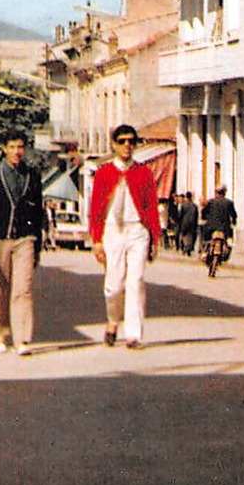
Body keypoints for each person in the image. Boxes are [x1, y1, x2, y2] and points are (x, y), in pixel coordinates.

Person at [0, 131, 46, 355]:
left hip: (25, 239)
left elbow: (38, 212)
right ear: (4, 148)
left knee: (23, 290)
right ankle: (1, 333)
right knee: (1, 290)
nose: (17, 152)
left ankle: (22, 338)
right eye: (12, 147)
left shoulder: (32, 175)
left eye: (21, 147)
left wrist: (38, 247)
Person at [89, 125, 163, 348]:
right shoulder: (104, 173)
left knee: (136, 280)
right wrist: (96, 240)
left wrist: (154, 238)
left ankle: (133, 334)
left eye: (131, 141)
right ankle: (112, 321)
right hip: (113, 230)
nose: (127, 146)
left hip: (137, 230)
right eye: (122, 141)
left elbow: (151, 206)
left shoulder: (143, 172)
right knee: (114, 285)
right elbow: (96, 210)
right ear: (113, 145)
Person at [201, 186, 237, 261]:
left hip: (211, 227)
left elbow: (204, 211)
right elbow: (233, 214)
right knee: (229, 241)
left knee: (206, 239)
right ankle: (227, 253)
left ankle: (204, 252)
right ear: (224, 193)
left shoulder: (211, 202)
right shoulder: (229, 203)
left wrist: (204, 218)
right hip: (225, 228)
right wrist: (234, 222)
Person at [177, 192, 199, 257]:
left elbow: (180, 215)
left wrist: (179, 223)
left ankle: (184, 247)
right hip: (192, 223)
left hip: (184, 223)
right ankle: (189, 248)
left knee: (183, 235)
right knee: (191, 236)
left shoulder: (183, 205)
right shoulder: (194, 206)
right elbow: (196, 216)